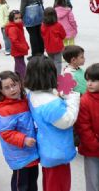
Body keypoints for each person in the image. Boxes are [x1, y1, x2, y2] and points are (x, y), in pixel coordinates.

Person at [25, 56, 80, 191]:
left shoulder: (32, 94)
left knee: (49, 184)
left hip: (47, 149)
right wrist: (73, 98)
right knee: (59, 186)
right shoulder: (51, 103)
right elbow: (67, 120)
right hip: (58, 152)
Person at [0, 71, 39, 191]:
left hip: (30, 152)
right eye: (7, 88)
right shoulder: (6, 110)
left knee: (32, 182)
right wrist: (24, 139)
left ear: (20, 84)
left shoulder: (24, 100)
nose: (12, 89)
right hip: (19, 156)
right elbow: (6, 133)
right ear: (1, 91)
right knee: (21, 185)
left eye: (14, 85)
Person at [75, 63, 99, 191]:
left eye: (94, 80)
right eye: (88, 80)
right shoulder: (85, 100)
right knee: (93, 180)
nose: (89, 83)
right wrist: (94, 144)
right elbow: (83, 127)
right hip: (92, 149)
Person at [41, 7, 66, 75]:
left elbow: (42, 36)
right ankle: (58, 76)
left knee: (51, 61)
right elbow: (63, 35)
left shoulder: (43, 26)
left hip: (48, 47)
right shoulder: (58, 25)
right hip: (58, 47)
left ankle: (51, 75)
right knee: (58, 62)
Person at [5, 10, 29, 79]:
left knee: (19, 64)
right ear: (12, 19)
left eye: (20, 17)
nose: (19, 20)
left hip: (19, 49)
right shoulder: (12, 28)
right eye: (16, 18)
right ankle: (23, 79)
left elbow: (21, 38)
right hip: (18, 50)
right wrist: (22, 47)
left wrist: (25, 45)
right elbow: (14, 41)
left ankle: (17, 77)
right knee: (21, 66)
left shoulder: (17, 26)